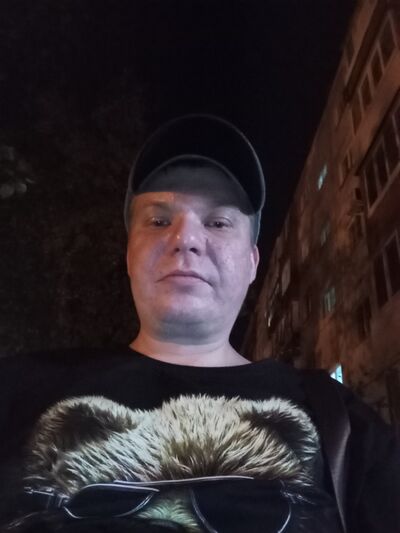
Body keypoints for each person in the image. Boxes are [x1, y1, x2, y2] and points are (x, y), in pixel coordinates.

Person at [0, 114, 399, 533]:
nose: (185, 239)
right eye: (159, 221)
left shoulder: (340, 424)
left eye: (217, 222)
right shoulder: (17, 391)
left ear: (252, 262)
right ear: (130, 254)